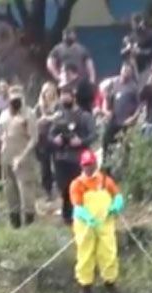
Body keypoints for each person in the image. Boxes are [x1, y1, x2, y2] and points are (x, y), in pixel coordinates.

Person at [70, 149, 125, 293]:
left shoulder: (105, 180)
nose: (89, 167)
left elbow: (117, 195)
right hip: (85, 226)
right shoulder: (77, 184)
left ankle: (110, 287)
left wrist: (117, 204)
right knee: (85, 255)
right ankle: (85, 290)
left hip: (105, 223)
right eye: (86, 165)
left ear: (95, 164)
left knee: (108, 253)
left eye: (91, 164)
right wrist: (86, 217)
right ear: (82, 165)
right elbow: (77, 206)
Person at [48, 85, 97, 225]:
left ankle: (83, 214)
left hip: (78, 158)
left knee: (80, 187)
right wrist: (54, 139)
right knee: (64, 188)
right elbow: (51, 134)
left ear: (73, 97)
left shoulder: (85, 116)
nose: (63, 99)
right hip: (61, 157)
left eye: (66, 96)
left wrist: (81, 141)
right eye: (61, 96)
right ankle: (67, 216)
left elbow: (93, 134)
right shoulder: (59, 116)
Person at [0, 85, 39, 228]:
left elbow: (34, 138)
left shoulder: (28, 114)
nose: (15, 101)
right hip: (6, 157)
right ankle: (15, 222)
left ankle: (29, 222)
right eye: (12, 98)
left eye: (18, 98)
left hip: (23, 158)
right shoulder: (3, 115)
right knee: (10, 190)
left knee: (26, 191)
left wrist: (22, 156)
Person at [102, 63, 140, 159]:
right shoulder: (114, 84)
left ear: (131, 73)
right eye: (124, 70)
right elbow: (106, 99)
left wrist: (133, 118)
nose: (125, 73)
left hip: (126, 122)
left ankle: (126, 165)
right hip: (114, 120)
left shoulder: (133, 87)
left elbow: (139, 106)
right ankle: (106, 165)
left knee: (126, 146)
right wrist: (106, 111)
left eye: (128, 71)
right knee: (106, 140)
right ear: (121, 70)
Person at [34, 81, 60, 200]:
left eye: (50, 90)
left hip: (56, 137)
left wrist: (49, 118)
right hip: (42, 138)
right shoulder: (38, 107)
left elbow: (60, 118)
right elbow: (34, 122)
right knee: (45, 166)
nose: (48, 93)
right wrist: (46, 119)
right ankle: (48, 190)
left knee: (58, 163)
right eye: (46, 91)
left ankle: (60, 186)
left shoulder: (58, 105)